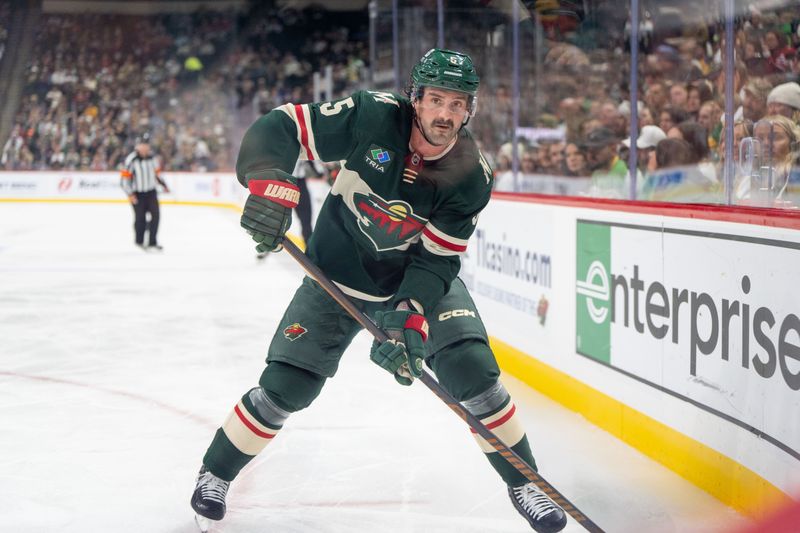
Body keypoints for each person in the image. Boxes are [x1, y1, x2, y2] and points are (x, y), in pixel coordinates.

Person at [189, 48, 568, 533]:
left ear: (469, 109)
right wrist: (270, 184)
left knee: (473, 371)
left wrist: (410, 312)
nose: (446, 114)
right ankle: (215, 473)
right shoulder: (372, 116)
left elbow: (437, 259)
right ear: (416, 99)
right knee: (286, 387)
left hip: (412, 279)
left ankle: (524, 480)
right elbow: (283, 128)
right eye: (436, 100)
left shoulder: (472, 174)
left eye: (457, 104)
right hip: (336, 276)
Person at [120, 133, 169, 251]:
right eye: (142, 145)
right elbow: (124, 180)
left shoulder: (152, 158)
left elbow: (157, 174)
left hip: (151, 192)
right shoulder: (131, 160)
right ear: (137, 146)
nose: (145, 147)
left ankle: (152, 241)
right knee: (140, 218)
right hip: (138, 193)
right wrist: (130, 194)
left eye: (146, 145)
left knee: (156, 216)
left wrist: (164, 185)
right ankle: (139, 241)